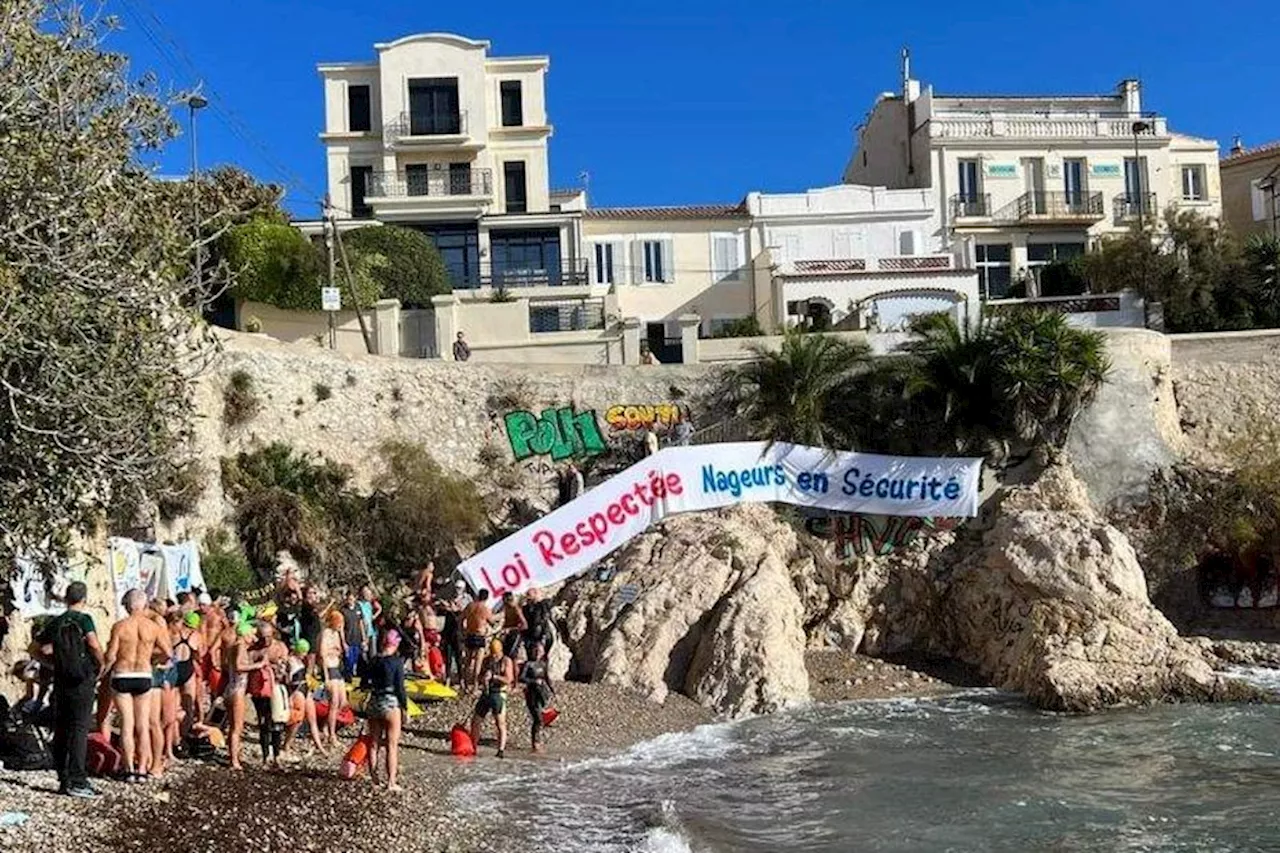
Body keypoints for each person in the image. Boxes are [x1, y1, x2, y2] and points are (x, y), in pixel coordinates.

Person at [30, 581, 103, 797]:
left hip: (61, 680)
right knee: (80, 728)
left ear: (66, 599)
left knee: (61, 728)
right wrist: (100, 664)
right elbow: (94, 644)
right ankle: (78, 780)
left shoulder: (57, 621)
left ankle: (62, 778)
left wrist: (51, 664)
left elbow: (34, 648)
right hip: (82, 680)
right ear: (84, 599)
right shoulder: (84, 619)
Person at [103, 588, 171, 782]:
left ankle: (129, 768)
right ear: (144, 605)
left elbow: (111, 655)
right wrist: (152, 659)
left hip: (123, 674)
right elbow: (167, 652)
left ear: (127, 605)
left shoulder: (120, 626)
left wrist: (104, 670)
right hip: (143, 673)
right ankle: (142, 769)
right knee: (143, 724)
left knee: (127, 724)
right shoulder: (153, 627)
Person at [360, 629, 408, 792]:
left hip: (374, 701)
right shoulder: (396, 662)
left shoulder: (373, 660)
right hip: (390, 702)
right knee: (391, 745)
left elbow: (364, 683)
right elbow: (400, 688)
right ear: (395, 644)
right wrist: (405, 708)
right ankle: (391, 782)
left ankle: (375, 780)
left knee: (373, 743)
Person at [224, 617, 267, 771]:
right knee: (237, 728)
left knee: (233, 726)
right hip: (237, 689)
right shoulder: (240, 645)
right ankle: (234, 760)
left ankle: (234, 755)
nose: (253, 638)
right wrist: (258, 665)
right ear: (245, 634)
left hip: (231, 688)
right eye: (251, 634)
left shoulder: (234, 646)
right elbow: (239, 667)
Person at [249, 621, 288, 768]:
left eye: (268, 637)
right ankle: (266, 756)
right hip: (260, 689)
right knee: (264, 722)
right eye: (263, 637)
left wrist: (274, 665)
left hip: (276, 687)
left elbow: (284, 668)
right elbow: (248, 663)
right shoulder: (254, 650)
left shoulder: (279, 647)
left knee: (277, 722)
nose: (266, 641)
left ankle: (277, 755)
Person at [469, 639, 515, 758]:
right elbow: (479, 676)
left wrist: (494, 677)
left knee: (500, 722)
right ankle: (473, 746)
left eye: (496, 654)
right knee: (476, 720)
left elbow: (509, 679)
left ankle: (500, 750)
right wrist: (482, 678)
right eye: (493, 653)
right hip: (486, 693)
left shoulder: (506, 661)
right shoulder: (486, 660)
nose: (494, 656)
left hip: (498, 693)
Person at [281, 639, 326, 757]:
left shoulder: (302, 661)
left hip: (306, 689)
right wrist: (289, 697)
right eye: (303, 652)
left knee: (312, 719)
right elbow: (287, 680)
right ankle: (287, 744)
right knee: (297, 720)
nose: (305, 655)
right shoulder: (290, 661)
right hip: (297, 690)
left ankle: (319, 746)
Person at [318, 609, 347, 748]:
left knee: (342, 701)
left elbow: (339, 650)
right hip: (328, 669)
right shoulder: (326, 633)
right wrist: (326, 677)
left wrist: (336, 648)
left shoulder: (336, 634)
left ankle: (325, 726)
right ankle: (332, 734)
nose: (341, 626)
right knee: (334, 702)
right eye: (340, 623)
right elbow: (323, 654)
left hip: (337, 667)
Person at [172, 610, 202, 744]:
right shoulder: (196, 635)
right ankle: (185, 737)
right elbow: (199, 655)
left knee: (173, 708)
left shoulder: (174, 633)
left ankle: (174, 739)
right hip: (188, 669)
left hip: (174, 669)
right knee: (188, 707)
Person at [461, 589, 500, 692]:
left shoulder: (470, 606)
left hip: (469, 634)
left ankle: (465, 685)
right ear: (487, 598)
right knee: (478, 662)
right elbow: (491, 621)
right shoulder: (485, 608)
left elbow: (461, 619)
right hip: (479, 636)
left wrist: (463, 631)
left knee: (468, 661)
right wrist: (499, 617)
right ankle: (475, 686)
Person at [520, 641, 555, 753]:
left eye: (539, 651)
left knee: (541, 718)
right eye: (535, 650)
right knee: (537, 719)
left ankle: (538, 741)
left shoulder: (543, 664)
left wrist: (552, 690)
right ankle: (535, 744)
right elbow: (521, 678)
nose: (537, 653)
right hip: (531, 694)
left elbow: (547, 677)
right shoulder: (528, 664)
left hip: (541, 694)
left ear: (543, 652)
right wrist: (534, 681)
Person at [439, 580, 470, 686]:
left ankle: (461, 679)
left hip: (459, 631)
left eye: (459, 588)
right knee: (448, 656)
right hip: (449, 631)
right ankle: (448, 678)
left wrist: (455, 607)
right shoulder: (450, 598)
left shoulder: (467, 599)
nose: (458, 590)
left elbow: (466, 611)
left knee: (459, 656)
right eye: (456, 588)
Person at [339, 589, 366, 680]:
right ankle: (347, 677)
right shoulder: (343, 610)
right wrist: (343, 642)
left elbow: (361, 623)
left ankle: (353, 676)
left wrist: (364, 638)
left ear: (355, 598)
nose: (350, 600)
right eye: (348, 599)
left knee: (356, 659)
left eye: (352, 598)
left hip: (357, 638)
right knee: (348, 661)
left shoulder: (358, 607)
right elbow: (341, 627)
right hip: (348, 639)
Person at [522, 587, 555, 660]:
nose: (528, 599)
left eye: (530, 597)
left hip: (540, 634)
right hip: (531, 637)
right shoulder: (525, 609)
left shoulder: (543, 605)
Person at [499, 592, 527, 660]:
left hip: (515, 635)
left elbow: (525, 625)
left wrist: (510, 629)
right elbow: (507, 621)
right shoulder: (506, 608)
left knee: (512, 656)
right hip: (508, 635)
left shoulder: (516, 609)